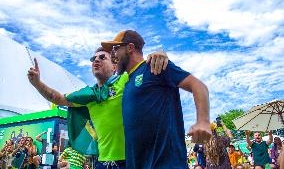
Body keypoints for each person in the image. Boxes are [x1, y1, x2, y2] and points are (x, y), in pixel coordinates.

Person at [28, 47, 168, 169]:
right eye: (93, 58)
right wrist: (37, 83)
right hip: (102, 163)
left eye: (102, 57)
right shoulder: (88, 94)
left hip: (132, 160)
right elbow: (57, 98)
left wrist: (160, 54)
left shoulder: (125, 80)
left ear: (114, 66)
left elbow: (147, 69)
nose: (96, 60)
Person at [101, 30, 212, 169]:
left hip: (166, 164)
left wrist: (203, 121)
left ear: (130, 48)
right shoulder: (127, 82)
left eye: (116, 49)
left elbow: (198, 86)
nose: (113, 54)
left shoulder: (154, 66)